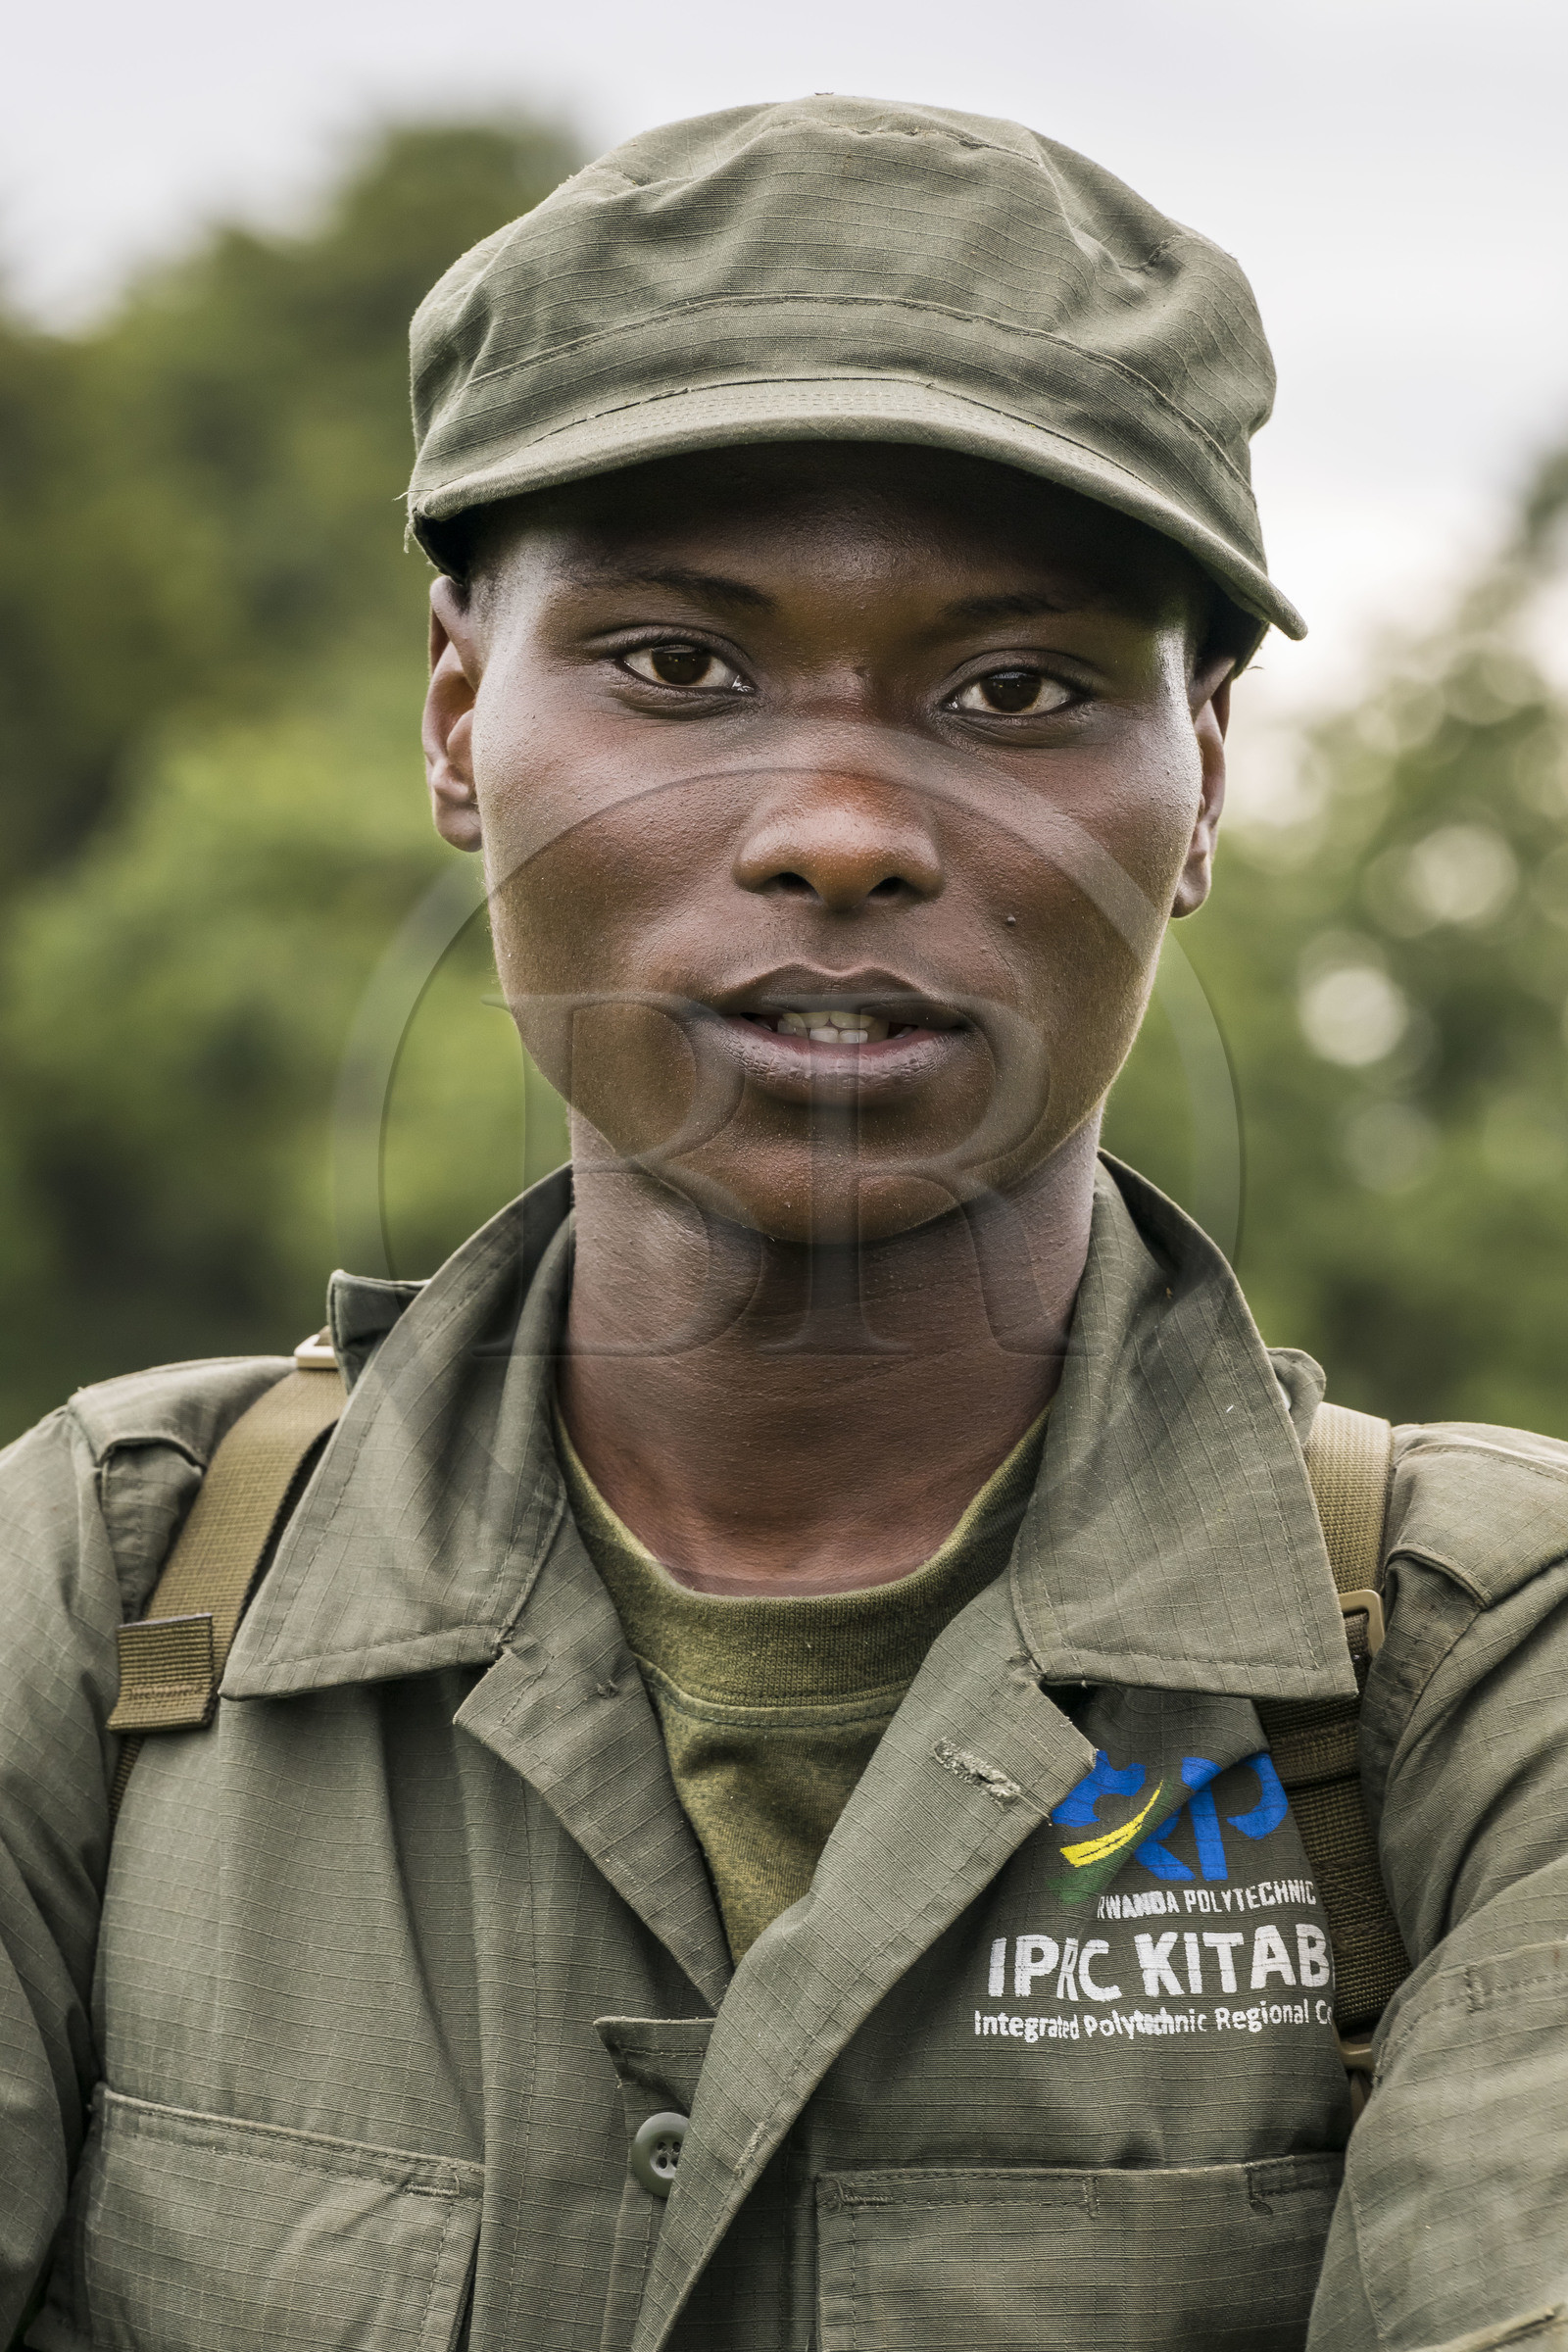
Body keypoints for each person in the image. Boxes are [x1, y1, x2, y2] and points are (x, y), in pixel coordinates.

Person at [2, 95, 1564, 2352]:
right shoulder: (101, 1603)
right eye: (674, 668)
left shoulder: (1474, 1691)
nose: (838, 828)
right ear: (460, 721)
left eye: (1012, 691)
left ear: (1202, 773)